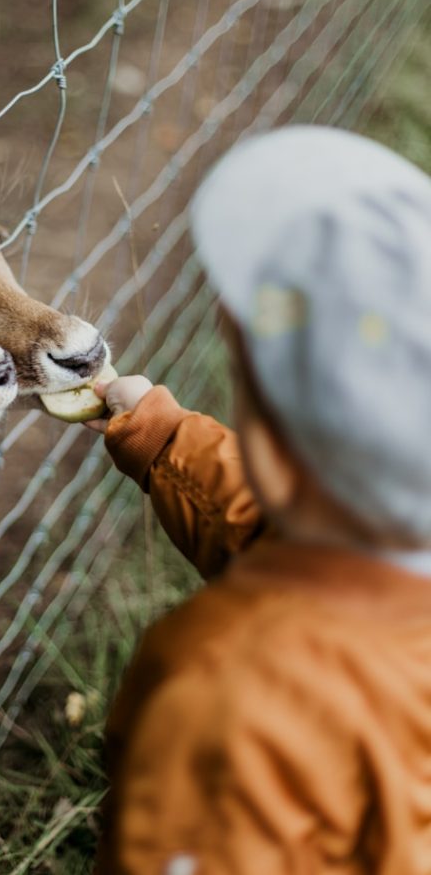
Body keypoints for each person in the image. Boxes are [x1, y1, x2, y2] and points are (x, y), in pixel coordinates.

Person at [86, 126, 431, 875]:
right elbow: (286, 536)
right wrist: (167, 438)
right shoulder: (397, 567)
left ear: (275, 441)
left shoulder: (228, 695)